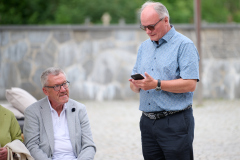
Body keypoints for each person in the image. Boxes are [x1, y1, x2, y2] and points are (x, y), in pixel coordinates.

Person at [129, 1, 199, 160]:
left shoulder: (184, 45)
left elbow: (190, 84)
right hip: (147, 123)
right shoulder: (144, 47)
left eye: (151, 26)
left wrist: (157, 84)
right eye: (144, 27)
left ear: (165, 20)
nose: (147, 31)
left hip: (175, 123)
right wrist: (136, 85)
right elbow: (134, 85)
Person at [23, 67, 96, 160]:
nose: (63, 89)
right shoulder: (33, 111)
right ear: (46, 91)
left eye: (64, 84)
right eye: (56, 86)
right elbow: (32, 147)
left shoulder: (79, 109)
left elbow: (89, 146)